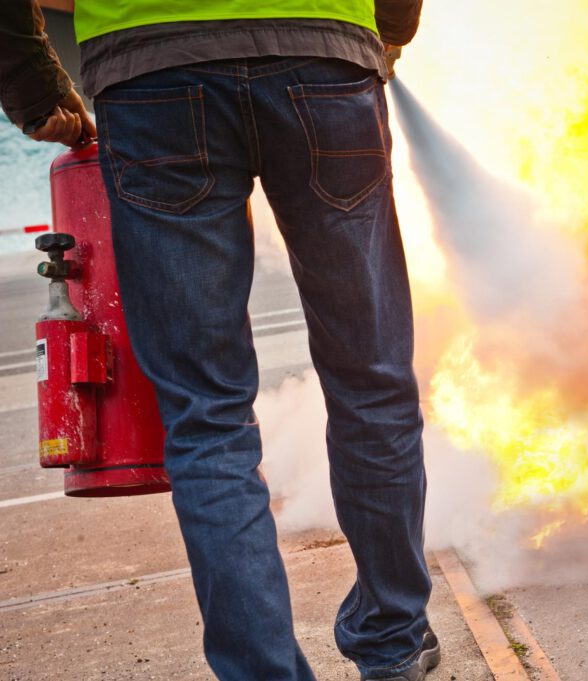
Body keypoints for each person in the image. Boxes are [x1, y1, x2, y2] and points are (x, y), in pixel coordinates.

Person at [0, 2, 435, 680]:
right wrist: (387, 30)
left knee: (208, 416)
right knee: (370, 375)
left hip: (152, 74)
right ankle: (394, 640)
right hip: (322, 54)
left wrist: (32, 85)